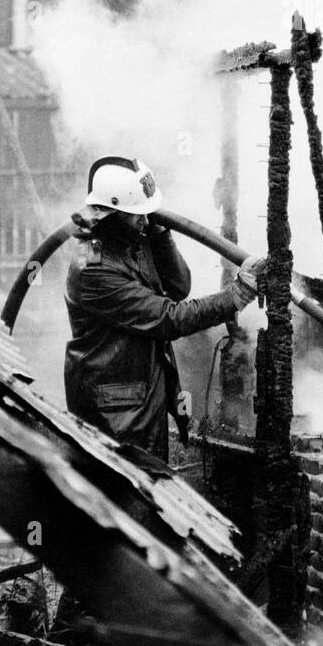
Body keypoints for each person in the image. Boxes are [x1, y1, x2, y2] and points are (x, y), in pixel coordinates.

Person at [64, 154, 262, 464]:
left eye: (148, 214)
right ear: (110, 213)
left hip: (140, 401)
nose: (145, 221)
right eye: (137, 215)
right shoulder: (93, 269)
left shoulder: (132, 236)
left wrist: (160, 233)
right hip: (114, 416)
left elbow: (179, 285)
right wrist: (236, 295)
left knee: (149, 496)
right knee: (124, 501)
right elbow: (169, 317)